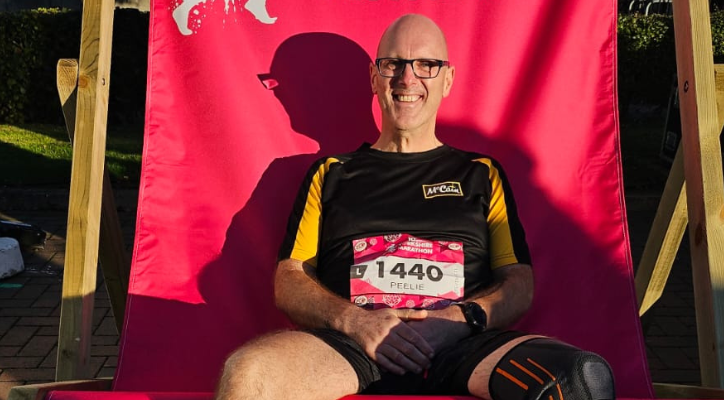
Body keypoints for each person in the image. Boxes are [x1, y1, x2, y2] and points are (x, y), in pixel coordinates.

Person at [215, 14, 615, 400]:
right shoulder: (331, 173)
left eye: (426, 65)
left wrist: (456, 322)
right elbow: (289, 280)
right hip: (352, 346)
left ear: (447, 79)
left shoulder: (481, 173)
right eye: (394, 64)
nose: (408, 79)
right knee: (248, 375)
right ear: (374, 78)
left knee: (581, 380)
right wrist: (355, 322)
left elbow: (518, 282)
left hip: (462, 347)